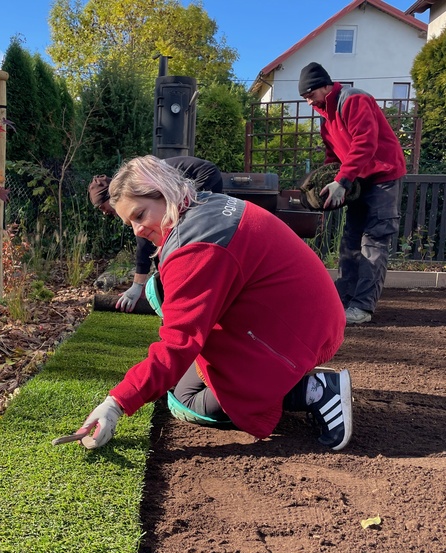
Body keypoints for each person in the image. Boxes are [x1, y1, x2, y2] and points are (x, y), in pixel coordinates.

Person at [75, 155, 353, 452]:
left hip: (299, 331)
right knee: (181, 385)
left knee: (187, 403)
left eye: (140, 214)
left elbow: (177, 345)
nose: (137, 230)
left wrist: (116, 403)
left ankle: (315, 391)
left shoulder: (195, 247)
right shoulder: (204, 202)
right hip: (303, 314)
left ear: (163, 191)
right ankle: (280, 377)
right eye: (129, 222)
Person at [298, 62, 407, 324]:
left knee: (374, 241)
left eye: (310, 94)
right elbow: (333, 155)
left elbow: (365, 143)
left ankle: (362, 307)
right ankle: (343, 300)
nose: (308, 101)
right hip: (359, 179)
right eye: (304, 97)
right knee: (350, 241)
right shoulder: (325, 115)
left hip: (383, 175)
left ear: (325, 86)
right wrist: (327, 181)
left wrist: (343, 180)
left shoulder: (353, 100)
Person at [88, 156, 223, 312]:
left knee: (179, 230)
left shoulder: (136, 188)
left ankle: (193, 289)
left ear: (110, 196)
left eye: (101, 207)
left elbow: (143, 241)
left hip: (204, 177)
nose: (104, 213)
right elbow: (148, 239)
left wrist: (137, 286)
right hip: (192, 178)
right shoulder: (136, 194)